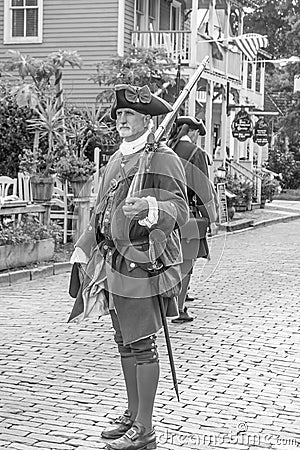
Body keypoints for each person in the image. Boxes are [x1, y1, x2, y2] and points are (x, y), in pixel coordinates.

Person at [69, 84, 189, 450]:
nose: (122, 120)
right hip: (113, 262)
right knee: (124, 343)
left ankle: (146, 429)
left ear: (147, 120)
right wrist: (84, 246)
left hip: (141, 261)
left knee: (142, 345)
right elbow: (102, 210)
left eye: (130, 115)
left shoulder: (161, 158)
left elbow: (181, 209)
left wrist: (151, 208)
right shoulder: (117, 159)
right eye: (118, 115)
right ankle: (133, 414)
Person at [168, 116, 217, 323]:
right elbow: (202, 188)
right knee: (186, 260)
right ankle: (178, 308)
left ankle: (166, 302)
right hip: (186, 214)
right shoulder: (195, 153)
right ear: (193, 132)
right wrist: (211, 218)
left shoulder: (165, 150)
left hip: (160, 213)